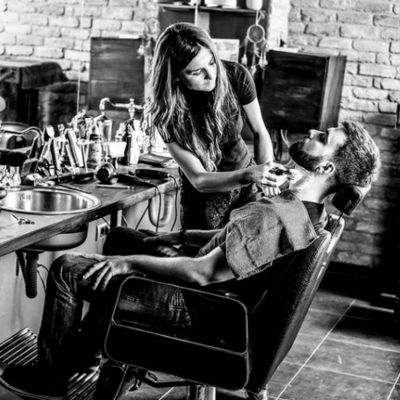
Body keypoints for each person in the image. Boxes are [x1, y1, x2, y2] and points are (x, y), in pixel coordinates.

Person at [0, 121, 380, 400]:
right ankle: (89, 354)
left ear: (326, 168)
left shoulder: (279, 217)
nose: (313, 132)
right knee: (120, 238)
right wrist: (177, 236)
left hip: (200, 309)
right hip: (218, 301)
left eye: (323, 138)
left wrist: (128, 265)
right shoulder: (303, 210)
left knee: (67, 269)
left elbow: (202, 273)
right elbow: (231, 241)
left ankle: (51, 379)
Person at [149, 22, 279, 230]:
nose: (211, 75)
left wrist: (268, 175)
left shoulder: (236, 75)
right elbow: (199, 179)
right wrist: (250, 174)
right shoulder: (167, 114)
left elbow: (259, 132)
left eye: (211, 62)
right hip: (204, 197)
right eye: (197, 72)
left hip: (247, 186)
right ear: (175, 77)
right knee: (203, 249)